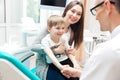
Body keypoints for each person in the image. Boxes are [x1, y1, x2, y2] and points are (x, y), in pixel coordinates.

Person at [61, 0, 120, 80]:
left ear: (107, 6)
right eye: (73, 11)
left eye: (96, 10)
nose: (96, 17)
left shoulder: (107, 51)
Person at [32, 1, 85, 80]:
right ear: (66, 10)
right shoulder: (52, 25)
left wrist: (71, 53)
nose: (75, 15)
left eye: (78, 14)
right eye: (73, 11)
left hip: (64, 60)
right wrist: (54, 50)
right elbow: (33, 47)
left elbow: (66, 51)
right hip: (47, 64)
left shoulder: (72, 31)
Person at [41, 15, 80, 80]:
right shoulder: (45, 41)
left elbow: (69, 52)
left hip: (66, 61)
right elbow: (51, 56)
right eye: (58, 28)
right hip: (54, 64)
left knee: (76, 78)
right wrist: (61, 67)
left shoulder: (64, 38)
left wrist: (75, 64)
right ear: (49, 29)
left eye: (63, 28)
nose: (61, 31)